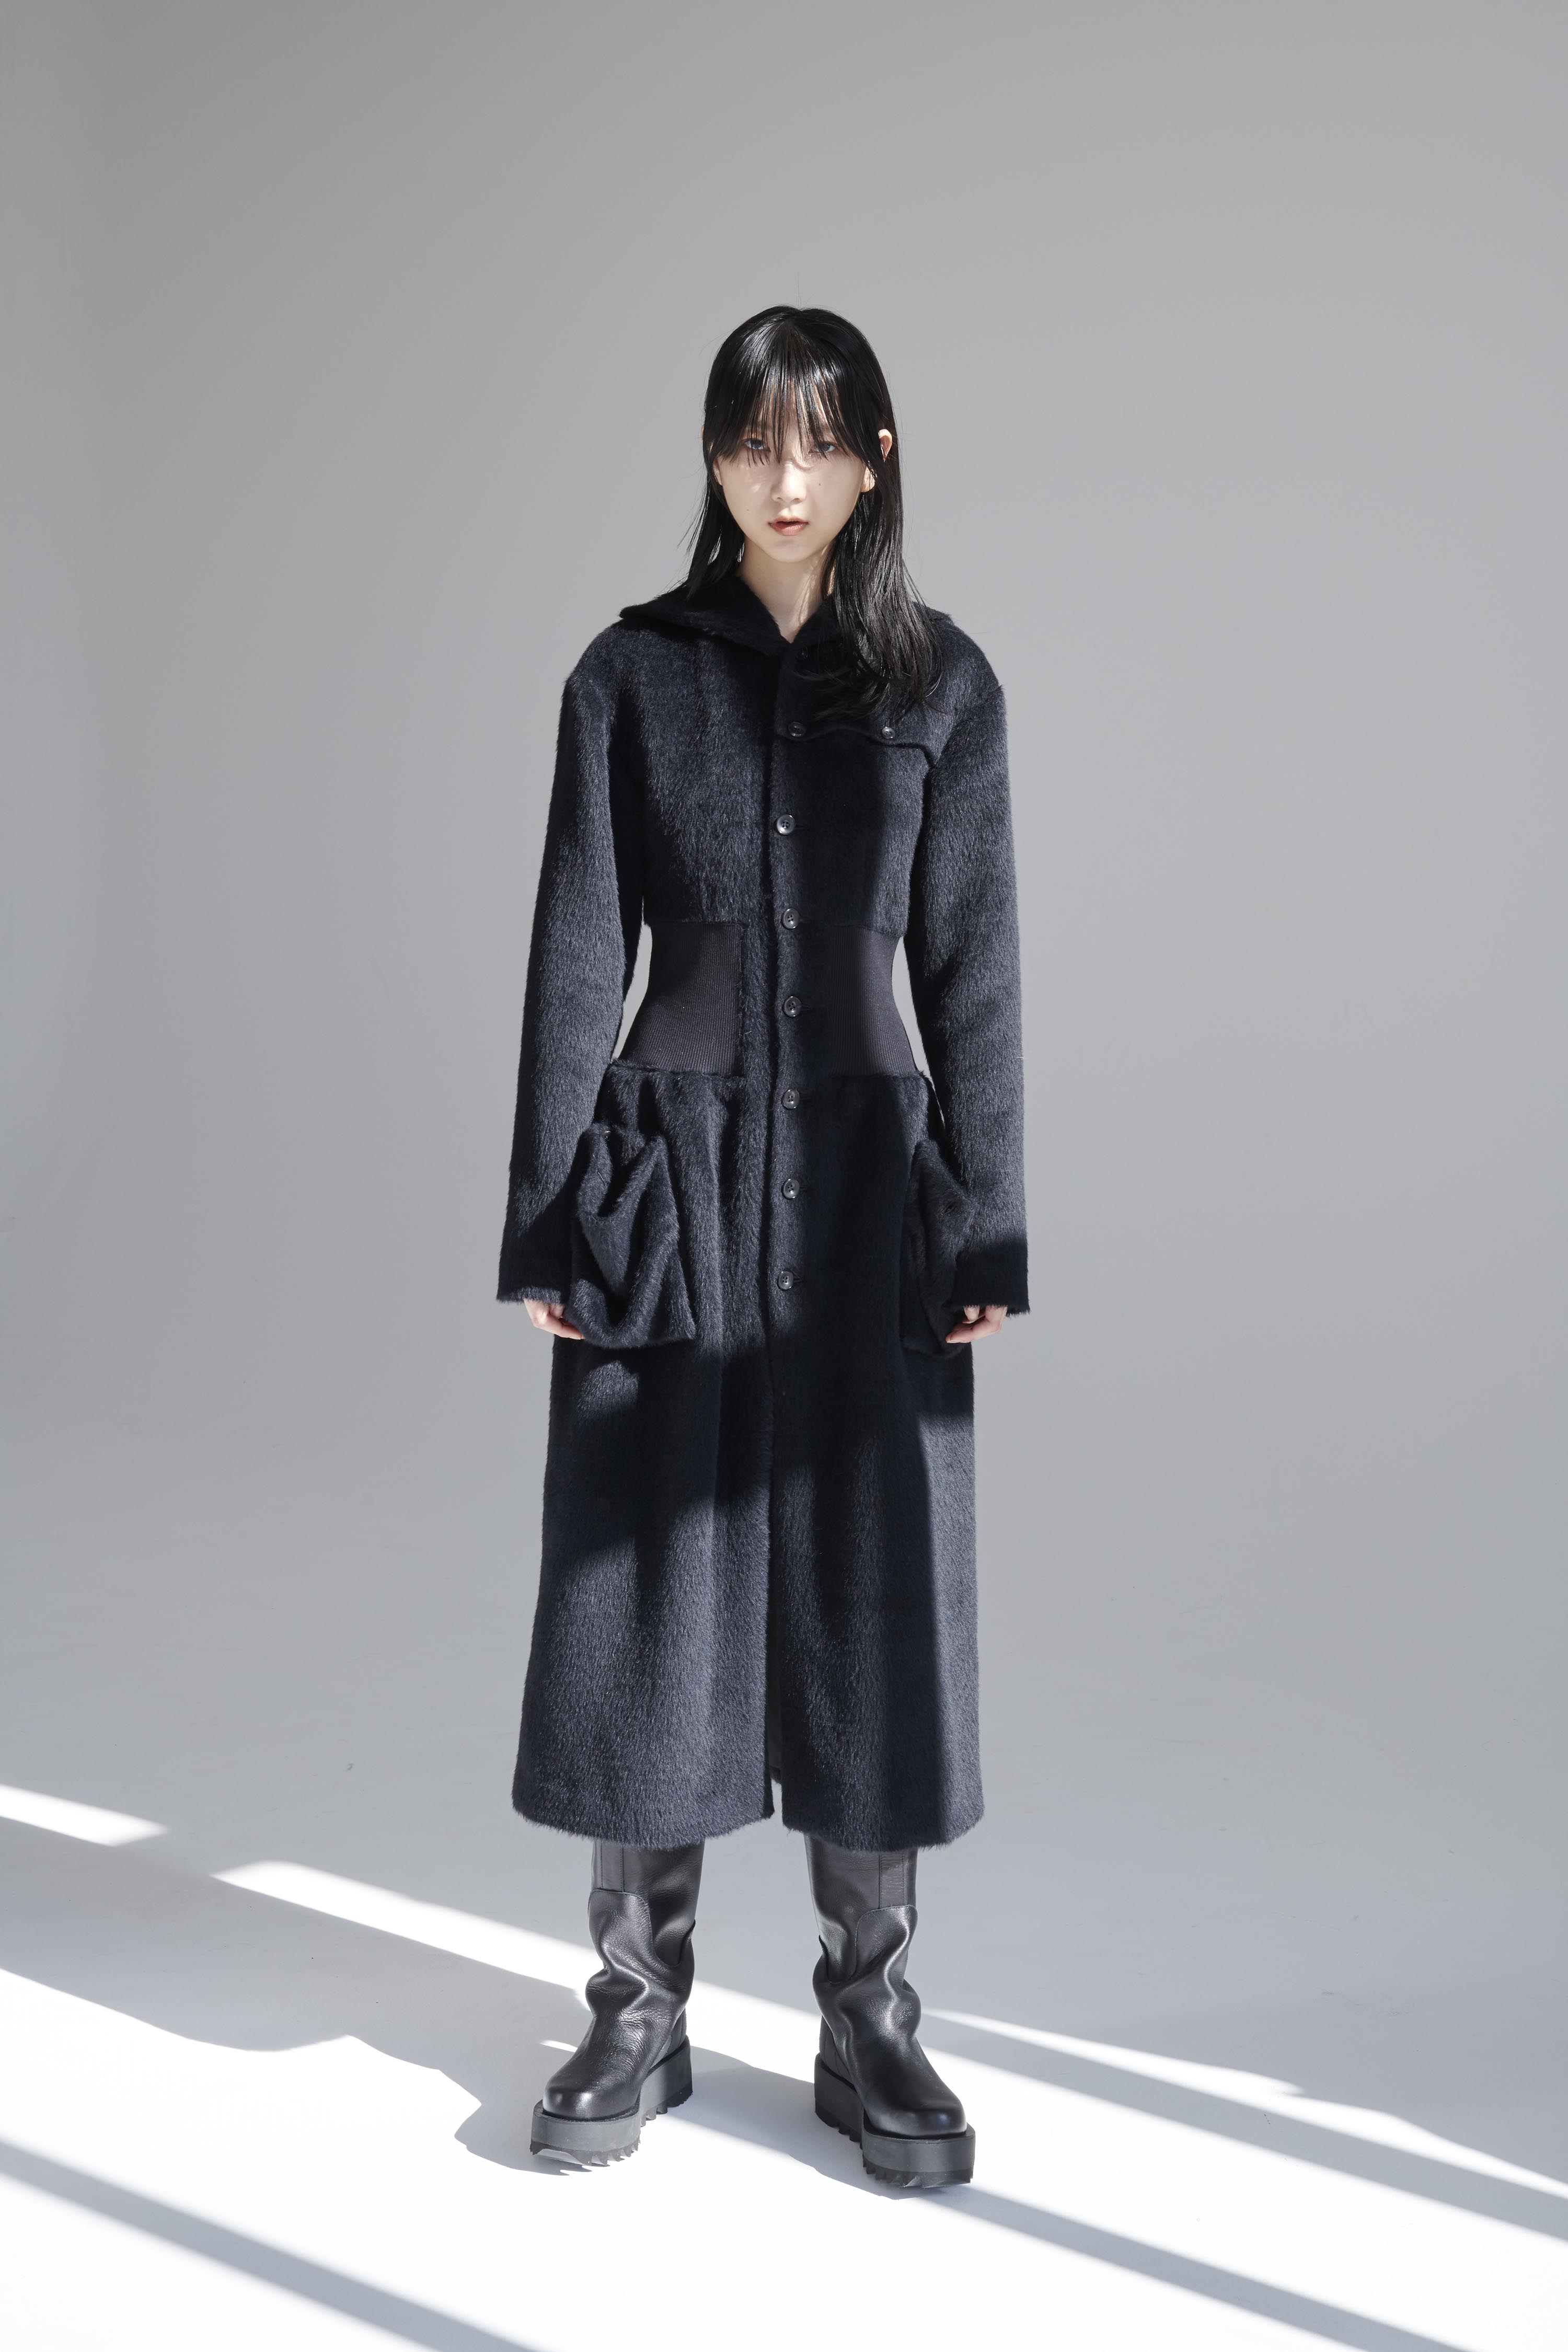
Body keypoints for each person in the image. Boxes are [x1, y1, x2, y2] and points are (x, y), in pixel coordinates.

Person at [498, 306, 1028, 2187]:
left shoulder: (944, 685)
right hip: (672, 1177)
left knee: (874, 1584)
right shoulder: (630, 674)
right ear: (714, 458)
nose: (778, 480)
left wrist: (985, 1213)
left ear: (875, 456)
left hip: (877, 1185)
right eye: (747, 443)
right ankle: (636, 2006)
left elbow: (973, 970)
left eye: (814, 443)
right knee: (649, 1586)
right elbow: (580, 949)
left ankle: (870, 2016)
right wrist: (553, 1210)